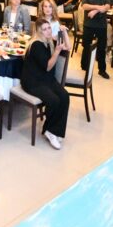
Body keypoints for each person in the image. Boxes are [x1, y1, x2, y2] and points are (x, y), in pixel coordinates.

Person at [21, 18, 71, 150]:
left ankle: (55, 130)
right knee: (54, 100)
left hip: (47, 79)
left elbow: (68, 47)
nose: (48, 31)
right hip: (33, 81)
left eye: (49, 28)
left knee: (65, 96)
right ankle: (50, 131)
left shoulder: (49, 41)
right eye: (44, 29)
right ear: (39, 32)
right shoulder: (36, 45)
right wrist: (57, 51)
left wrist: (64, 32)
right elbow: (48, 67)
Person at [80, 0, 110, 79]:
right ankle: (84, 67)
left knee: (101, 48)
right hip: (89, 24)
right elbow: (84, 6)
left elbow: (107, 6)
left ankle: (102, 70)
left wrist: (94, 11)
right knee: (86, 46)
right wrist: (98, 7)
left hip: (101, 25)